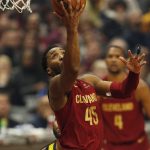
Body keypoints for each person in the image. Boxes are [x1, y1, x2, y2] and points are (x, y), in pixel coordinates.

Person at [41, 1, 145, 150]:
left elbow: (124, 91)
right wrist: (72, 28)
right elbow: (72, 69)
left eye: (63, 52)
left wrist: (134, 74)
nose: (61, 55)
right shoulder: (56, 86)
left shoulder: (89, 81)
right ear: (49, 70)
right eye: (54, 56)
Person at [100, 45, 150, 150]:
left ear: (125, 59)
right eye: (110, 56)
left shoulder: (140, 87)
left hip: (138, 145)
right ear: (105, 60)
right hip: (109, 146)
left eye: (117, 56)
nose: (113, 59)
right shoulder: (99, 88)